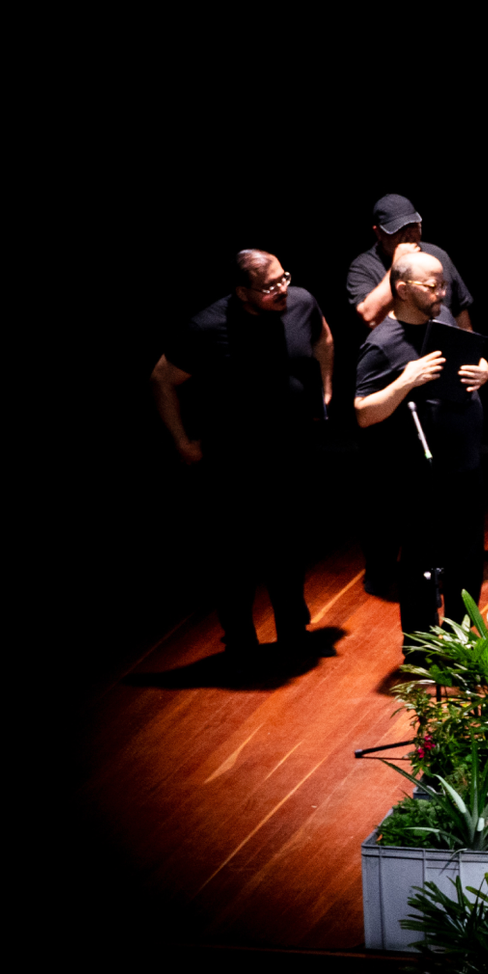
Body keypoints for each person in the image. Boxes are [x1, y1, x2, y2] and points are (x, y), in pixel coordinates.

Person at [152, 250, 333, 664]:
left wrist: (325, 390)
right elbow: (162, 379)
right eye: (270, 286)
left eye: (284, 278)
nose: (282, 289)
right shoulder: (207, 326)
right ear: (242, 292)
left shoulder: (301, 302)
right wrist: (182, 441)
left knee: (289, 546)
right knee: (236, 554)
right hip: (233, 462)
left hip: (289, 452)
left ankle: (292, 631)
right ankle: (240, 640)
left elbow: (324, 338)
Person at [354, 252, 488, 637]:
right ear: (402, 289)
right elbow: (363, 412)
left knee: (467, 563)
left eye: (443, 284)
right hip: (420, 476)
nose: (442, 294)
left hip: (465, 465)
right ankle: (420, 652)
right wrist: (404, 382)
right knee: (421, 565)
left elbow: (475, 359)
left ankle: (461, 642)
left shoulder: (443, 320)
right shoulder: (381, 344)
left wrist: (483, 370)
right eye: (433, 286)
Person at [346, 193, 473, 332]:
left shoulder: (437, 255)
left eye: (413, 227)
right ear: (378, 233)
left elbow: (460, 312)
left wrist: (469, 351)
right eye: (398, 230)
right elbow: (369, 317)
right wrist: (398, 265)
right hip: (399, 348)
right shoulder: (363, 267)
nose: (408, 235)